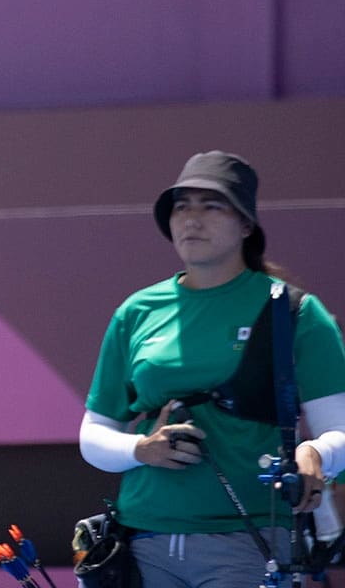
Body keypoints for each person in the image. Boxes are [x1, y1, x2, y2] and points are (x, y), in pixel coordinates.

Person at [80, 151, 345, 587]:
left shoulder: (295, 312)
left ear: (245, 225)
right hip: (144, 538)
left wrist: (315, 454)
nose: (192, 219)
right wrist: (141, 450)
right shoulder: (137, 311)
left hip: (250, 539)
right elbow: (93, 435)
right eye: (181, 206)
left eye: (212, 205)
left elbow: (338, 433)